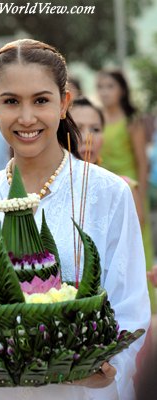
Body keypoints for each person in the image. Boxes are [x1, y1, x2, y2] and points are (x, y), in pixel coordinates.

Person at [0, 39, 150, 400]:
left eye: (41, 100)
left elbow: (130, 309)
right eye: (11, 101)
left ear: (64, 103)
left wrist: (107, 368)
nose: (27, 118)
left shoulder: (107, 194)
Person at [96, 69, 155, 312]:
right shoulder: (96, 119)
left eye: (110, 86)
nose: (104, 92)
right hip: (107, 191)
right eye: (100, 87)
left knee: (137, 246)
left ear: (122, 90)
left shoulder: (131, 121)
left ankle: (144, 305)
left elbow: (142, 162)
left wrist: (139, 196)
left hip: (131, 190)